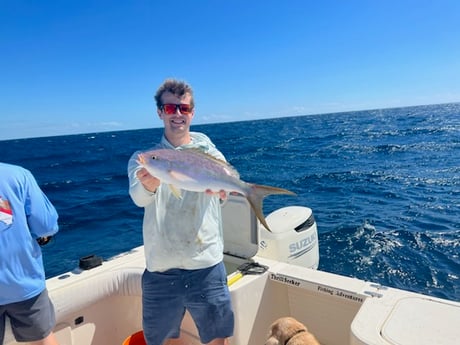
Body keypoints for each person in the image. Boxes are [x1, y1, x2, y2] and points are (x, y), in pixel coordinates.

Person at [128, 79, 234, 345]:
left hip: (206, 265)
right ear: (160, 112)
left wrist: (224, 193)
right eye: (170, 108)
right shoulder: (144, 158)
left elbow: (223, 195)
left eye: (183, 108)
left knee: (218, 339)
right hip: (161, 269)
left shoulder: (211, 154)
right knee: (161, 340)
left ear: (192, 113)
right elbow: (139, 199)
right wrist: (148, 185)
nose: (177, 114)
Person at [0, 163, 60, 345]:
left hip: (22, 285)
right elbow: (45, 225)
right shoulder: (18, 175)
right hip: (22, 284)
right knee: (42, 340)